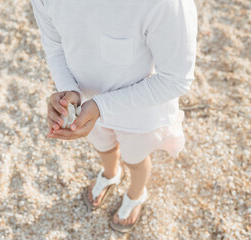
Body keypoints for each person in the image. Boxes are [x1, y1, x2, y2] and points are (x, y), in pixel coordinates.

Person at [30, 0, 197, 233]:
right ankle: (110, 174)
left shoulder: (165, 5)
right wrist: (69, 90)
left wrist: (100, 106)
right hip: (86, 103)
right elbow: (54, 44)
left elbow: (175, 79)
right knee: (103, 147)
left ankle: (136, 194)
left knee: (136, 161)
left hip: (140, 112)